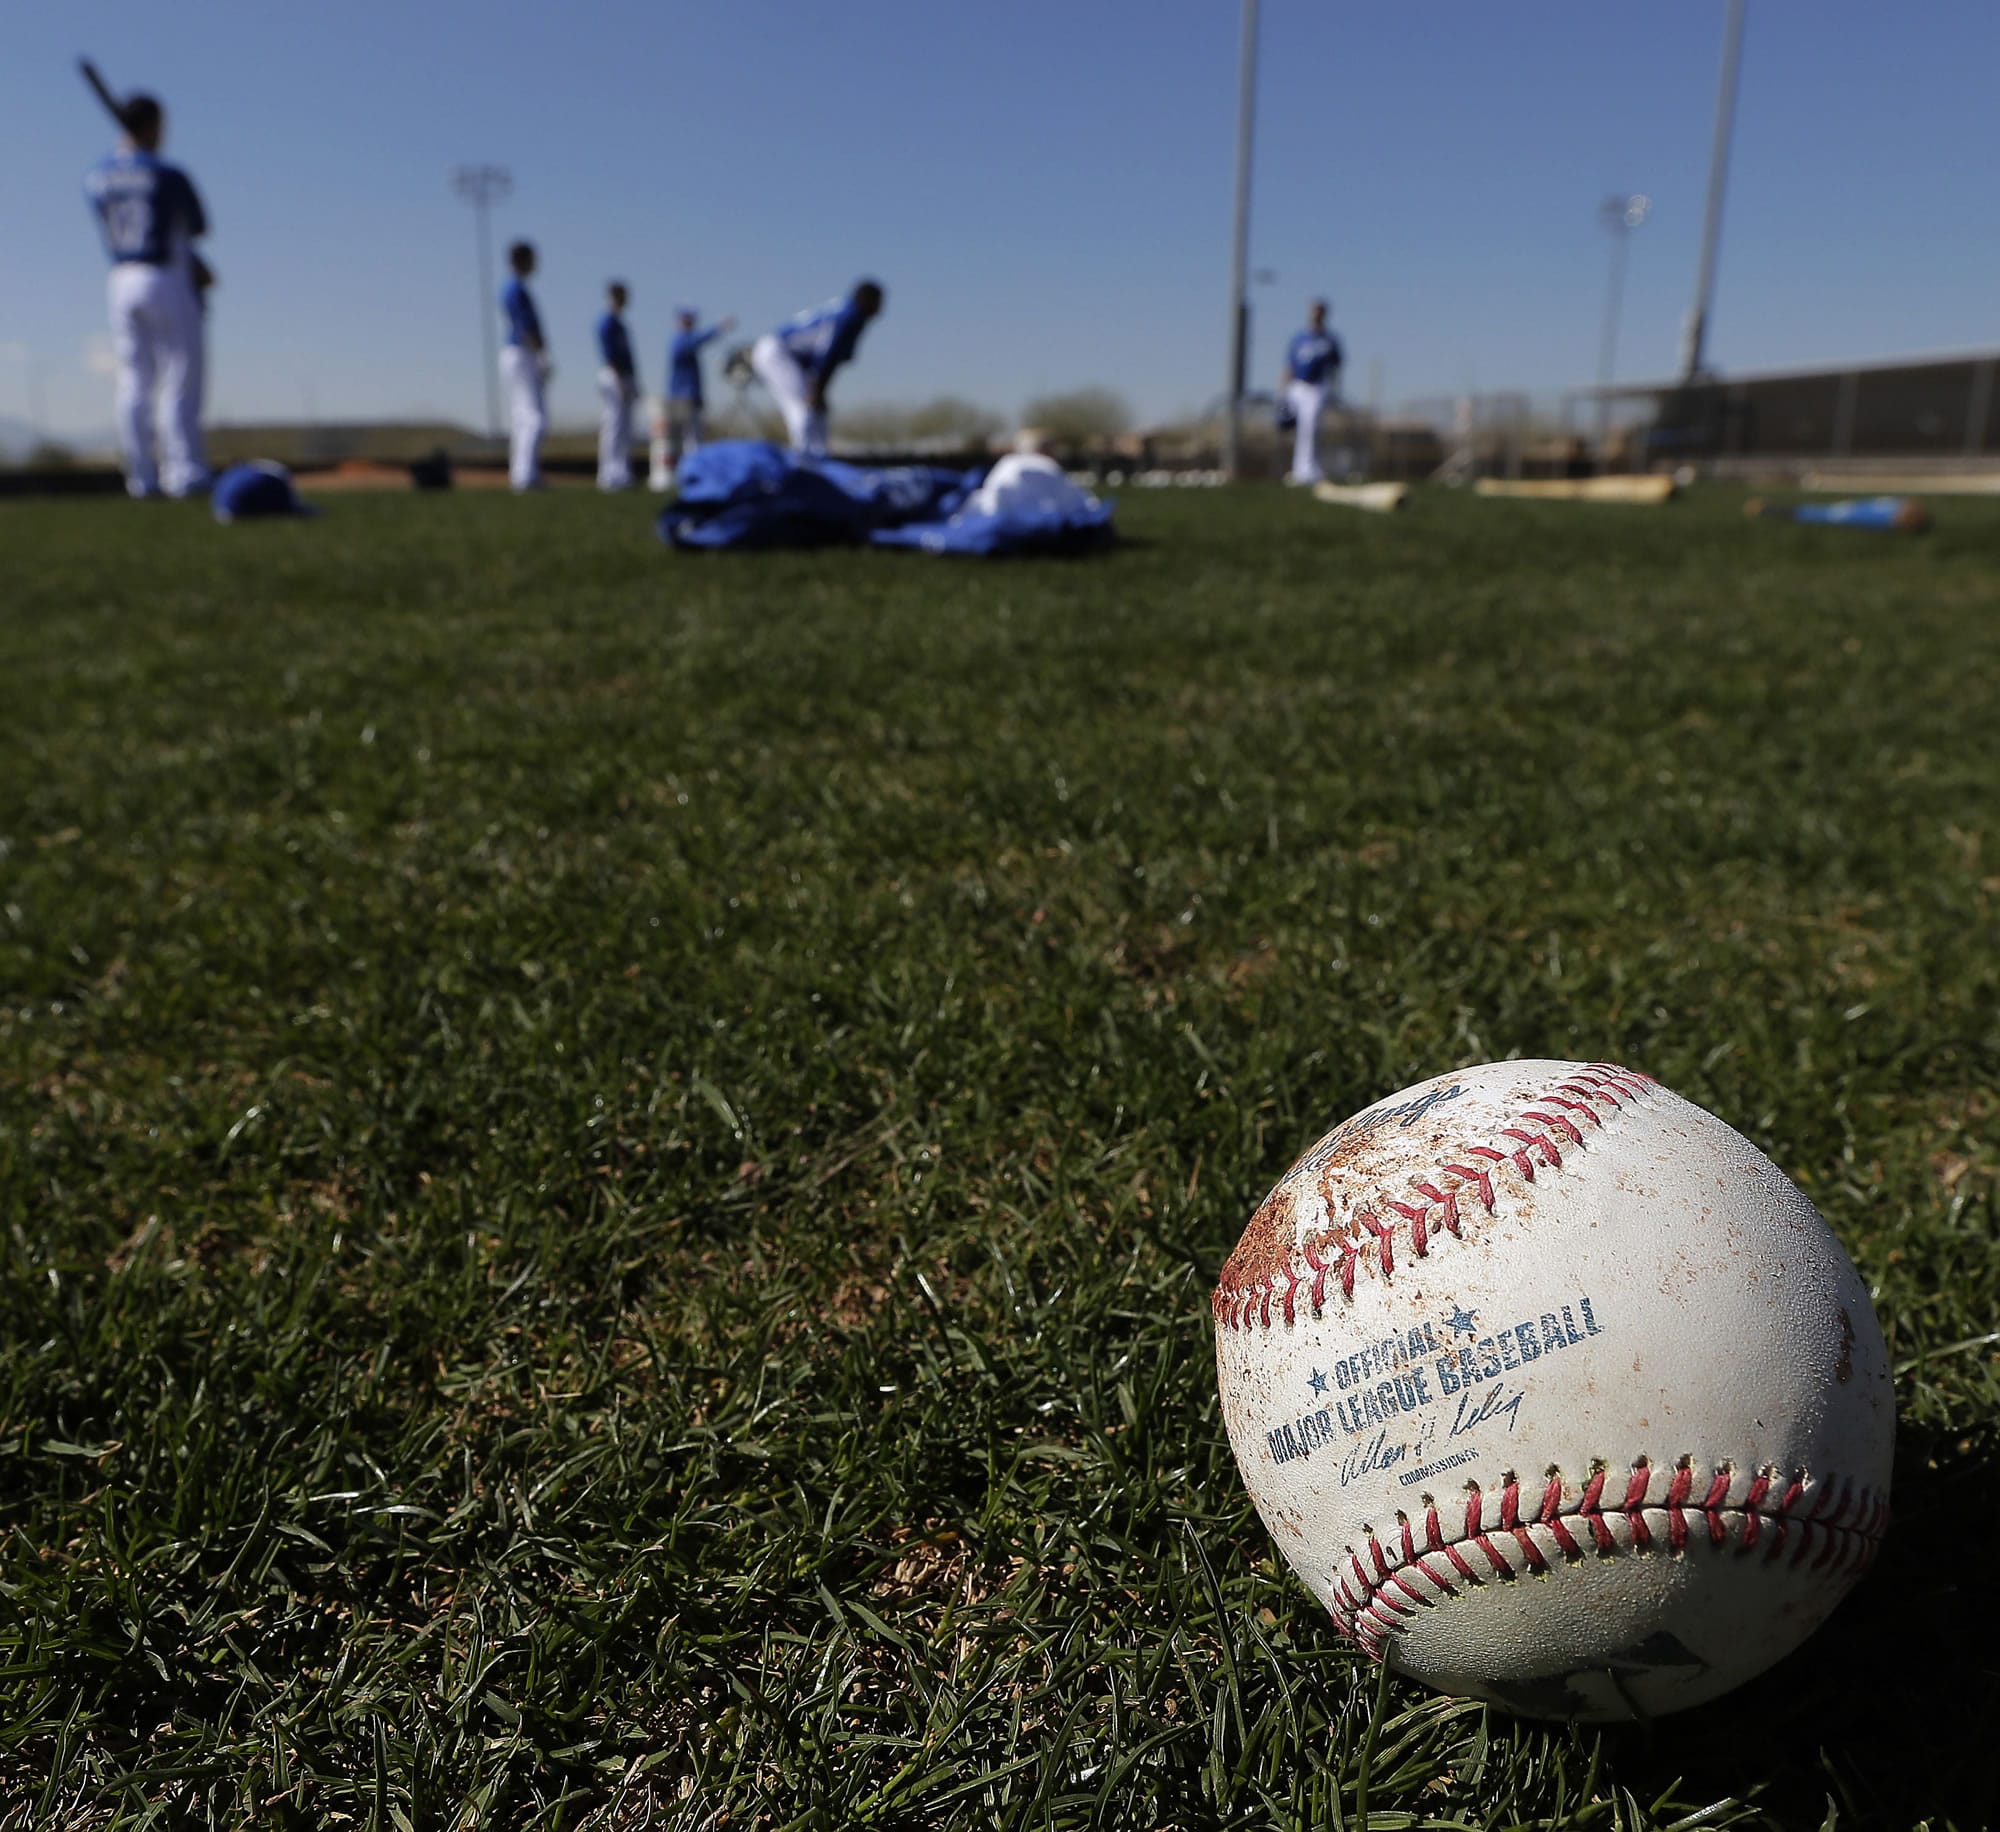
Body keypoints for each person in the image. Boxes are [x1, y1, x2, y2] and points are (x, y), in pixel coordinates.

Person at [83, 92, 212, 498]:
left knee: (134, 380)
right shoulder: (166, 173)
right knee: (179, 375)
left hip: (120, 278)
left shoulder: (96, 175)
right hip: (164, 274)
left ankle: (141, 477)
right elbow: (196, 225)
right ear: (153, 125)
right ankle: (185, 472)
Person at [750, 280, 885, 456]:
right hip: (777, 352)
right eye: (878, 302)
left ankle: (819, 456)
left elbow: (832, 361)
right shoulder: (849, 315)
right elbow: (827, 354)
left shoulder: (852, 314)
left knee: (816, 408)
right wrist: (817, 390)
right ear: (866, 300)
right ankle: (805, 458)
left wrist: (820, 391)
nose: (881, 308)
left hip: (791, 356)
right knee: (802, 404)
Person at [651, 306, 735, 488]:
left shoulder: (684, 340)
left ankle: (691, 475)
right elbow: (699, 340)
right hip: (682, 398)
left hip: (691, 397)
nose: (690, 321)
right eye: (687, 318)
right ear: (680, 320)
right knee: (688, 441)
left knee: (693, 439)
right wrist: (719, 328)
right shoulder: (680, 340)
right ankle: (691, 475)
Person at [500, 241, 549, 491]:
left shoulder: (510, 288)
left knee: (521, 417)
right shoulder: (517, 289)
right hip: (523, 352)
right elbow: (527, 327)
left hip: (514, 353)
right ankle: (526, 475)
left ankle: (522, 472)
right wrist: (542, 355)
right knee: (534, 418)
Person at [1281, 299, 1344, 485]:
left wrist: (1334, 389)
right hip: (1297, 386)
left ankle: (1308, 471)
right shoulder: (1299, 338)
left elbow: (1336, 366)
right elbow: (1289, 366)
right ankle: (1300, 469)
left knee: (1309, 428)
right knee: (1295, 428)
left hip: (1317, 387)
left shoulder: (1329, 340)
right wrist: (1284, 391)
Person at [595, 281, 638, 490]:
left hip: (625, 376)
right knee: (613, 425)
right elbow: (610, 355)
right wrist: (620, 380)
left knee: (624, 427)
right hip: (614, 376)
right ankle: (608, 474)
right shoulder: (607, 322)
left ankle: (621, 472)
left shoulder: (619, 323)